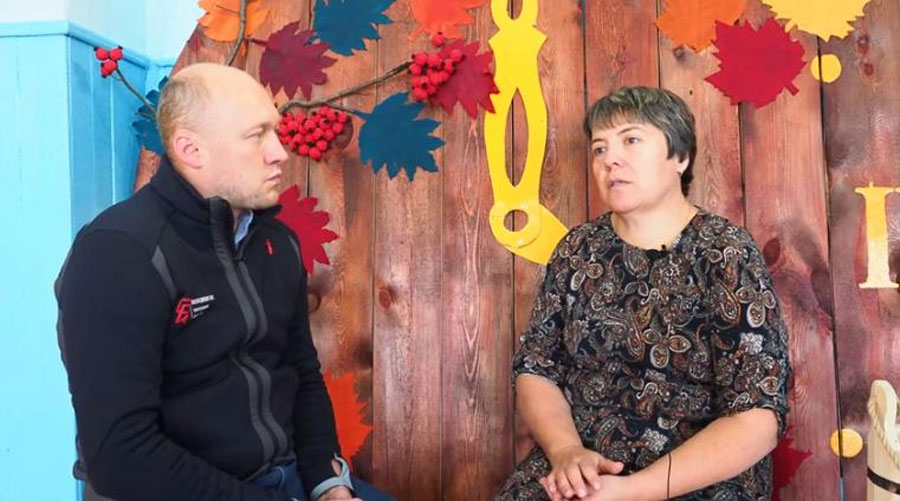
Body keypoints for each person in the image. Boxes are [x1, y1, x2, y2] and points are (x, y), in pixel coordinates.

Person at [56, 63, 394, 501]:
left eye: (275, 132)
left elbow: (302, 373)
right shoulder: (119, 252)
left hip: (283, 475)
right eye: (256, 136)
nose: (280, 153)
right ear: (191, 149)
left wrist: (329, 484)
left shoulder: (278, 243)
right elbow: (121, 456)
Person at [496, 86, 791, 500]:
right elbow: (536, 368)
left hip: (696, 479)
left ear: (680, 157)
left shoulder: (725, 251)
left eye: (631, 140)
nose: (610, 159)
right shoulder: (578, 249)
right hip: (582, 468)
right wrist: (566, 452)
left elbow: (758, 415)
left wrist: (632, 491)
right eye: (599, 148)